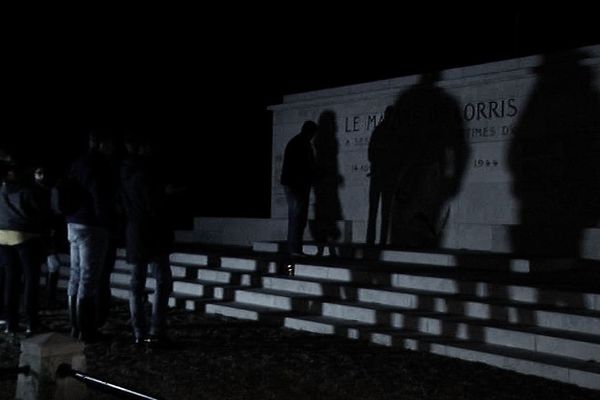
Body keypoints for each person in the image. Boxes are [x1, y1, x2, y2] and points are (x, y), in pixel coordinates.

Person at [120, 133, 173, 346]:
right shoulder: (146, 171)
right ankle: (156, 329)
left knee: (137, 283)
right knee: (162, 280)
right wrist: (166, 194)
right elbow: (153, 203)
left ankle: (139, 331)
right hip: (152, 230)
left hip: (134, 229)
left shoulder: (123, 171)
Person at [64, 129, 117, 342]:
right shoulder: (99, 165)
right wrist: (108, 222)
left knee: (76, 275)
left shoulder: (77, 163)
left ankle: (75, 327)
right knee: (89, 277)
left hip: (73, 222)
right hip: (92, 225)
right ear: (101, 144)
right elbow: (100, 197)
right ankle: (87, 330)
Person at [0, 157, 50, 336]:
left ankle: (10, 322)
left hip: (3, 236)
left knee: (11, 280)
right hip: (25, 236)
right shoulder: (27, 190)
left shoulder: (2, 188)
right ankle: (31, 321)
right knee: (30, 280)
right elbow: (40, 212)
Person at [280, 120, 318, 256]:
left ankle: (295, 248)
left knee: (297, 218)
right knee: (297, 217)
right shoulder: (301, 144)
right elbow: (305, 166)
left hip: (294, 185)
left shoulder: (298, 142)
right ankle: (294, 249)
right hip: (296, 186)